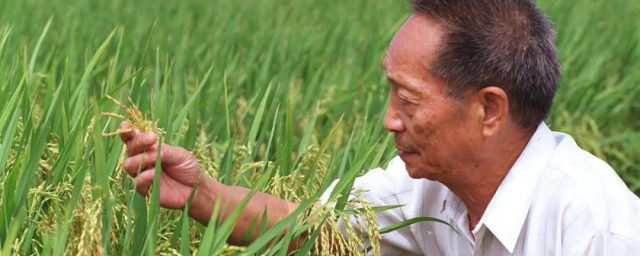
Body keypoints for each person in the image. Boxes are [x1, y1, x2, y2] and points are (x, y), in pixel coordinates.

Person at [119, 0, 640, 254]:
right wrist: (202, 193)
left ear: (489, 110)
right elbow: (313, 230)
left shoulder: (594, 227)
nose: (390, 119)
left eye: (408, 100)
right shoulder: (424, 188)